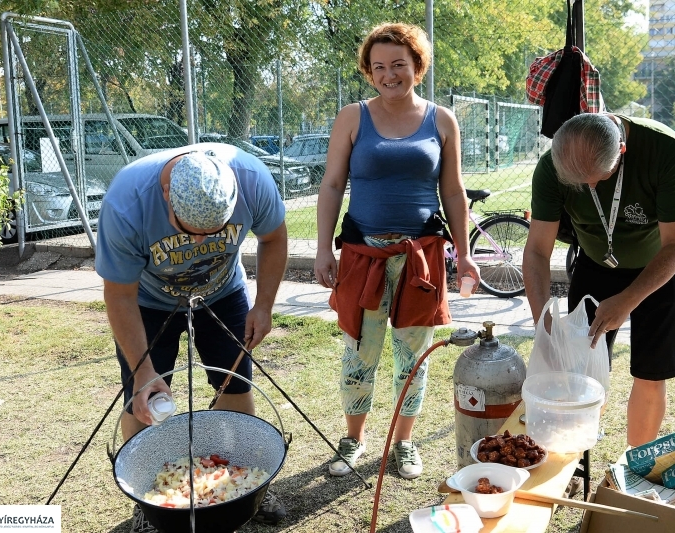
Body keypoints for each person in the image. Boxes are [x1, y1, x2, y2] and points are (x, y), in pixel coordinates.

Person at [314, 22, 480, 480]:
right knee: (358, 353)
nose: (390, 74)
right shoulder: (352, 117)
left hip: (420, 258)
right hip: (362, 256)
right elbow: (331, 185)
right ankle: (354, 439)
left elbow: (453, 189)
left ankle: (403, 444)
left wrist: (464, 254)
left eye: (399, 65)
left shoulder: (442, 120)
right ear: (369, 72)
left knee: (413, 356)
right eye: (380, 66)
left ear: (417, 68)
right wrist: (323, 250)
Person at [94, 144, 288, 531]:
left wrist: (263, 305)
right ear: (166, 194)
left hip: (224, 291)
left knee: (235, 384)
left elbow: (274, 238)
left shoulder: (251, 180)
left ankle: (238, 486)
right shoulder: (127, 204)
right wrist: (144, 371)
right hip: (148, 302)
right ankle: (149, 504)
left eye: (214, 233)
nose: (200, 244)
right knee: (144, 400)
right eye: (189, 232)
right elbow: (119, 294)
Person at [523, 112, 675, 448]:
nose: (589, 188)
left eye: (599, 179)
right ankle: (574, 453)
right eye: (578, 184)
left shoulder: (667, 151)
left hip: (660, 266)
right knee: (577, 372)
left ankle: (634, 462)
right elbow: (537, 252)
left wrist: (629, 299)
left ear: (622, 151)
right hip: (595, 263)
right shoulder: (551, 167)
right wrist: (542, 322)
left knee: (651, 372)